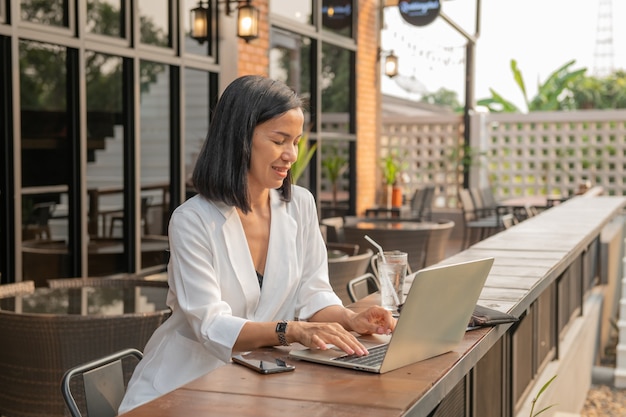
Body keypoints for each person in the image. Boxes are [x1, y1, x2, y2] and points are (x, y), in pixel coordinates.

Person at [118, 75, 395, 413]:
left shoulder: (300, 205)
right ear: (239, 139)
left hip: (259, 383)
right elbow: (210, 326)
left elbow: (314, 293)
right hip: (184, 387)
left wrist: (348, 319)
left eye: (296, 141)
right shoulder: (192, 221)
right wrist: (290, 331)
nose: (291, 155)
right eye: (279, 140)